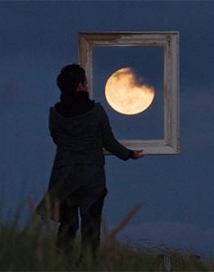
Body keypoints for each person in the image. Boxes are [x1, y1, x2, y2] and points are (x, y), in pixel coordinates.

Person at [36, 64, 144, 263]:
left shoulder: (55, 114)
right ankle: (87, 264)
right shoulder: (96, 111)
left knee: (68, 225)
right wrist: (130, 154)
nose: (87, 85)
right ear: (80, 85)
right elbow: (109, 142)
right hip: (92, 178)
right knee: (91, 227)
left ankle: (62, 263)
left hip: (64, 177)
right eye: (85, 81)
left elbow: (57, 139)